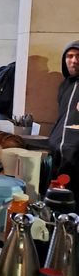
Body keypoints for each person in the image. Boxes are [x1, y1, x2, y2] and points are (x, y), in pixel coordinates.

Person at [49, 41, 79, 211]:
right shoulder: (64, 85)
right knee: (55, 201)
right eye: (69, 56)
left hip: (76, 156)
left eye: (78, 56)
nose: (73, 60)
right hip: (58, 153)